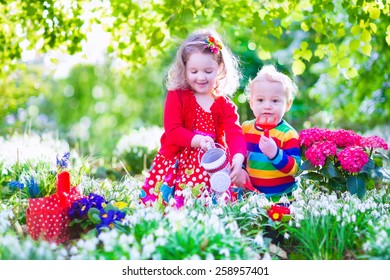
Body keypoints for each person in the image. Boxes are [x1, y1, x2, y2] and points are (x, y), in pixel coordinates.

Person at [140, 29, 246, 208]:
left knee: (213, 205)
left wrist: (238, 157)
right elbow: (173, 131)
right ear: (184, 69)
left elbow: (234, 132)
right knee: (173, 205)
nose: (201, 77)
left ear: (219, 68)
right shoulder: (178, 95)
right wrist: (198, 140)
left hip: (211, 163)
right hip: (178, 161)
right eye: (194, 71)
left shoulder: (223, 103)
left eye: (208, 71)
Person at [239, 65, 301, 204]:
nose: (267, 106)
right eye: (260, 100)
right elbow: (240, 155)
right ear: (251, 103)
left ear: (288, 104)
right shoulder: (246, 128)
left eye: (275, 101)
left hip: (282, 199)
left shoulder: (288, 134)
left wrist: (274, 153)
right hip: (252, 197)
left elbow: (294, 169)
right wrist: (241, 169)